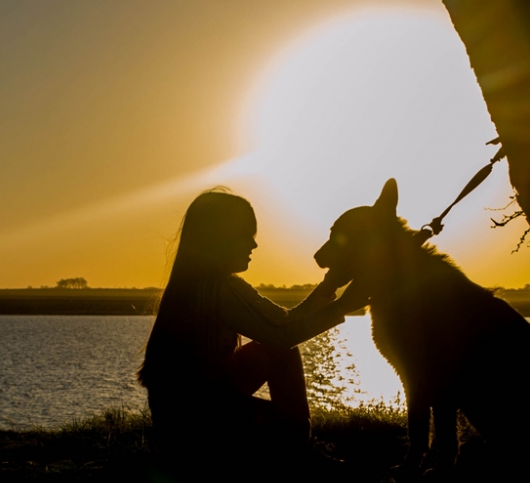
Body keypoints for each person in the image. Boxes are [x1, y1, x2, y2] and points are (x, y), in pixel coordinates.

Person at [137, 188, 367, 462]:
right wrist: (341, 307)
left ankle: (293, 440)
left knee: (280, 347)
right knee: (282, 350)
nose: (254, 245)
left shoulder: (203, 284)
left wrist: (327, 288)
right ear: (221, 238)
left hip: (180, 418)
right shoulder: (219, 289)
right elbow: (282, 334)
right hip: (194, 424)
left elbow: (281, 323)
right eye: (247, 235)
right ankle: (297, 443)